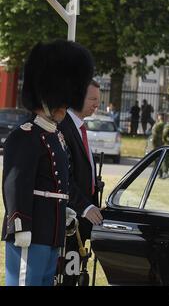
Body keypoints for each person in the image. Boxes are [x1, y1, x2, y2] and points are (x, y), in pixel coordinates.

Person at [1, 39, 94, 286]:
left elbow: (60, 184)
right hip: (30, 232)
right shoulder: (25, 136)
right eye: (61, 102)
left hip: (52, 231)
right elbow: (15, 185)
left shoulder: (56, 136)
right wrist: (19, 225)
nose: (65, 107)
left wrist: (68, 209)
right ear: (45, 98)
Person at [58, 79, 104, 286]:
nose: (97, 105)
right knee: (65, 277)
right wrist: (85, 206)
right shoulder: (63, 126)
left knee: (75, 275)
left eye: (98, 100)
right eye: (93, 99)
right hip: (68, 219)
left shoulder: (79, 127)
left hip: (84, 217)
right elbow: (63, 176)